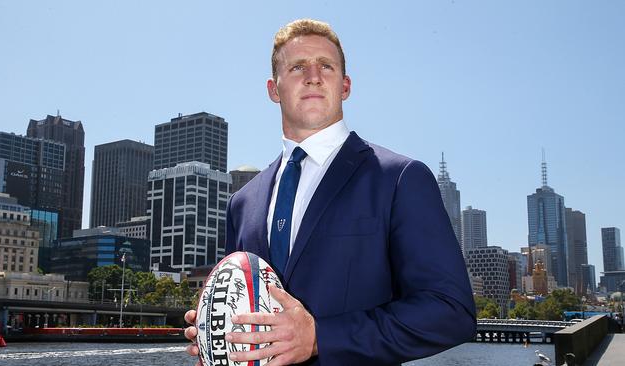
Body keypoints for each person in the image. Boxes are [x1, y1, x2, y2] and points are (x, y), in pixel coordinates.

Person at [185, 18, 476, 365]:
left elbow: (451, 311)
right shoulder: (242, 202)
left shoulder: (399, 178)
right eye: (296, 67)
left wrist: (320, 337)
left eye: (326, 65)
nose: (313, 75)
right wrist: (218, 335)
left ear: (345, 86)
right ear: (273, 89)